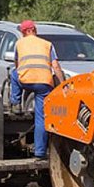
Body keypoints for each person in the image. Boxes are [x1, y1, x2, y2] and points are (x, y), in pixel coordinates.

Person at [10, 20, 64, 159]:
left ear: (26, 31)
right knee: (40, 119)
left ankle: (16, 104)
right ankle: (40, 152)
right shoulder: (47, 44)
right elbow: (56, 66)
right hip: (44, 83)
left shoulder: (19, 44)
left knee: (14, 74)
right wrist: (63, 85)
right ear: (34, 29)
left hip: (25, 81)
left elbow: (17, 65)